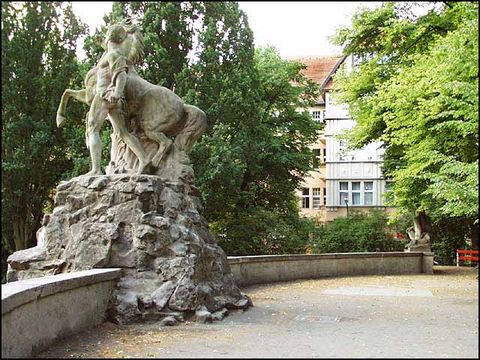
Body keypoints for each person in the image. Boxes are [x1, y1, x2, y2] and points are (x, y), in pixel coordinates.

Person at [85, 23, 151, 175]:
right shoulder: (115, 55)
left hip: (104, 96)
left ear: (109, 37)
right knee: (123, 133)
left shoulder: (113, 55)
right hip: (114, 99)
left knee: (92, 128)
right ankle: (144, 159)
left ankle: (95, 169)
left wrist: (116, 91)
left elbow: (121, 75)